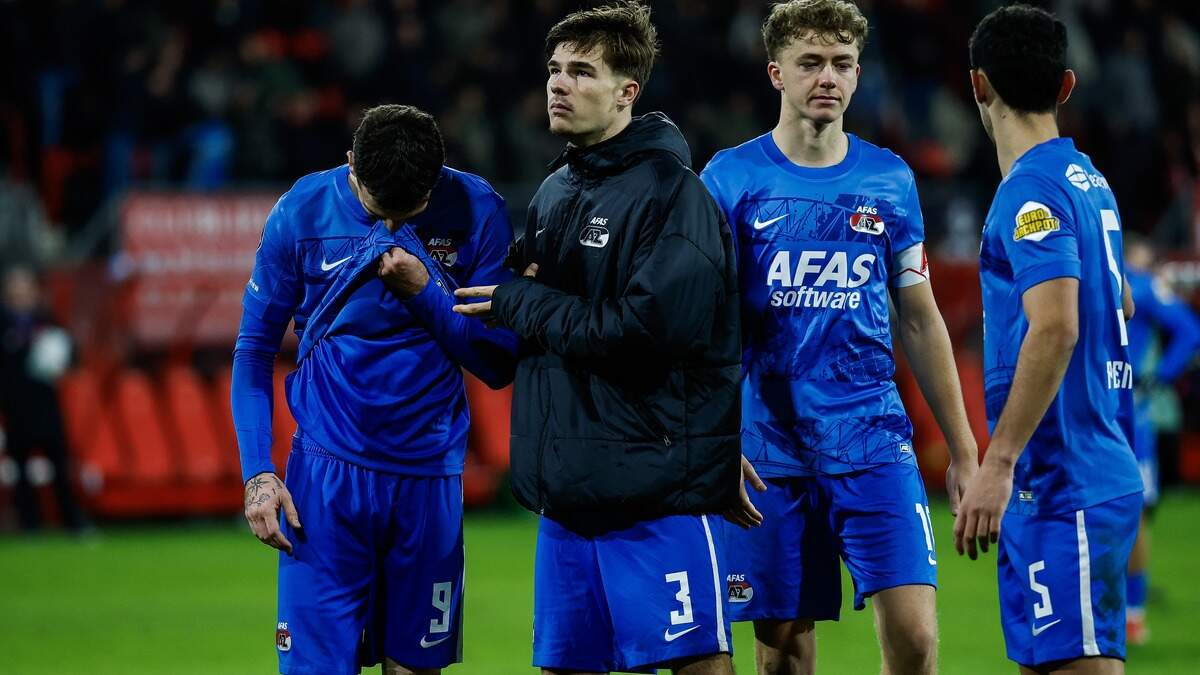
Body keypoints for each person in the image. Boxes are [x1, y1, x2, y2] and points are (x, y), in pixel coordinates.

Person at [453, 2, 752, 673]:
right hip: (567, 499)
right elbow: (529, 319)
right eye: (555, 69)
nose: (559, 83)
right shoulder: (556, 191)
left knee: (697, 663)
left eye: (582, 71)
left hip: (656, 495)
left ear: (627, 92)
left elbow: (645, 331)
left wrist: (521, 299)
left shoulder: (675, 197)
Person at [698, 2, 979, 673]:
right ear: (777, 72)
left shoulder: (889, 178)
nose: (828, 76)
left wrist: (966, 449)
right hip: (768, 451)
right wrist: (716, 433)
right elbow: (705, 323)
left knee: (915, 638)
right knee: (784, 656)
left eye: (843, 63)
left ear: (858, 75)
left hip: (875, 440)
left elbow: (919, 315)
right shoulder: (728, 179)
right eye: (811, 62)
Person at [232, 103, 516, 675]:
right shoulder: (303, 211)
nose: (387, 229)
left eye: (404, 214)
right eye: (375, 210)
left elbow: (496, 363)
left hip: (428, 478)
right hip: (325, 481)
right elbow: (254, 350)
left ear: (433, 187)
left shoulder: (478, 210)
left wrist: (424, 292)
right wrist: (258, 472)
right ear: (351, 167)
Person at [956, 5, 1145, 673]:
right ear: (1066, 86)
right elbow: (1118, 298)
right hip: (1071, 476)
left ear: (978, 85)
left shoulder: (1029, 191)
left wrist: (997, 461)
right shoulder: (1089, 183)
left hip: (1070, 484)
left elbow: (1059, 323)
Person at [1121, 233, 1200, 645]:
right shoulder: (1112, 278)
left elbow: (1190, 331)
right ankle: (1120, 609)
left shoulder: (1140, 284)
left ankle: (1132, 613)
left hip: (1130, 415)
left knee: (1134, 512)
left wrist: (1158, 377)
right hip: (1110, 411)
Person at [0, 265, 88, 532]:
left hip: (46, 405)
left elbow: (71, 354)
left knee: (60, 465)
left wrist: (62, 356)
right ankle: (30, 524)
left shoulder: (46, 319)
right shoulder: (2, 324)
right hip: (14, 405)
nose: (21, 294)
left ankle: (72, 522)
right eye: (15, 289)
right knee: (21, 468)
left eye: (25, 288)